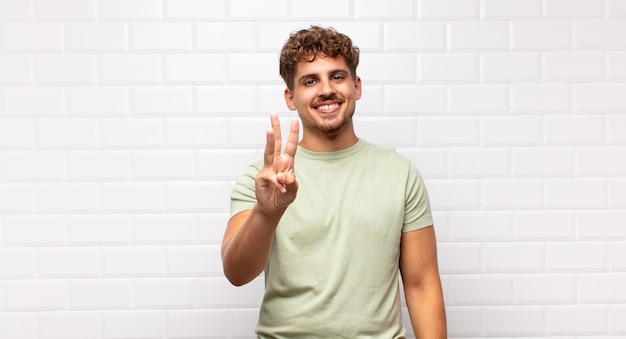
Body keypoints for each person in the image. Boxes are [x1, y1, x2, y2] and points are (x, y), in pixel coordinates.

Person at [221, 25, 447, 338]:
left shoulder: (400, 174)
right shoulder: (264, 180)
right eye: (310, 81)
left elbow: (422, 284)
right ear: (291, 97)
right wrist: (266, 213)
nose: (326, 89)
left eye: (337, 77)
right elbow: (236, 273)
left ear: (357, 86)